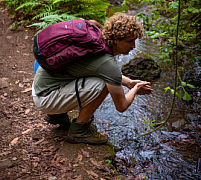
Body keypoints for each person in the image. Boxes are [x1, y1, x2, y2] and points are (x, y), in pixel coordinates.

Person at [32, 13, 153, 145]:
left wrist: (128, 82)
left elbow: (98, 69)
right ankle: (79, 130)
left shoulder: (94, 39)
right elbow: (122, 106)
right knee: (102, 84)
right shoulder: (107, 64)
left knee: (99, 77)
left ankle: (56, 115)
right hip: (46, 98)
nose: (134, 46)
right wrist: (135, 89)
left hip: (41, 87)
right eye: (130, 41)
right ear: (117, 39)